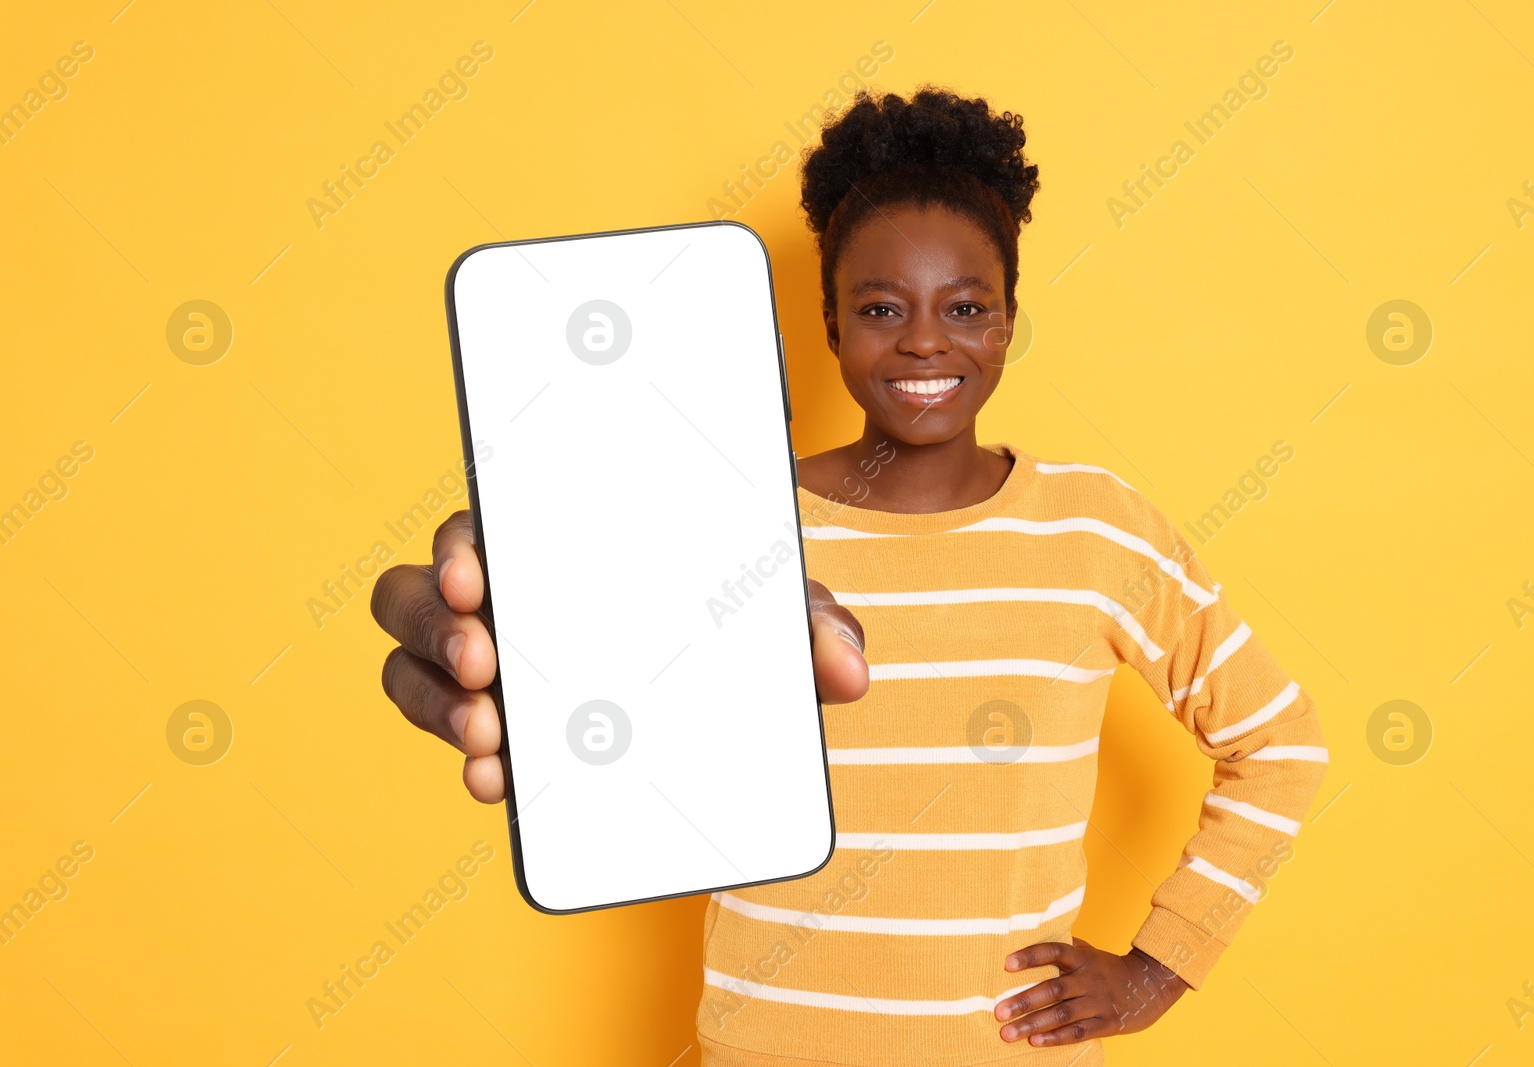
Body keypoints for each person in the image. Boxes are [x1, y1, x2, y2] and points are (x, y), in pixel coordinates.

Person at [372, 86, 1329, 1066]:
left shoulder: (1100, 530)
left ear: (1008, 322)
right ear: (830, 322)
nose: (924, 340)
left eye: (966, 307)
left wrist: (1155, 969)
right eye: (880, 308)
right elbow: (629, 745)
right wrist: (535, 648)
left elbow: (1281, 744)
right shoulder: (729, 522)